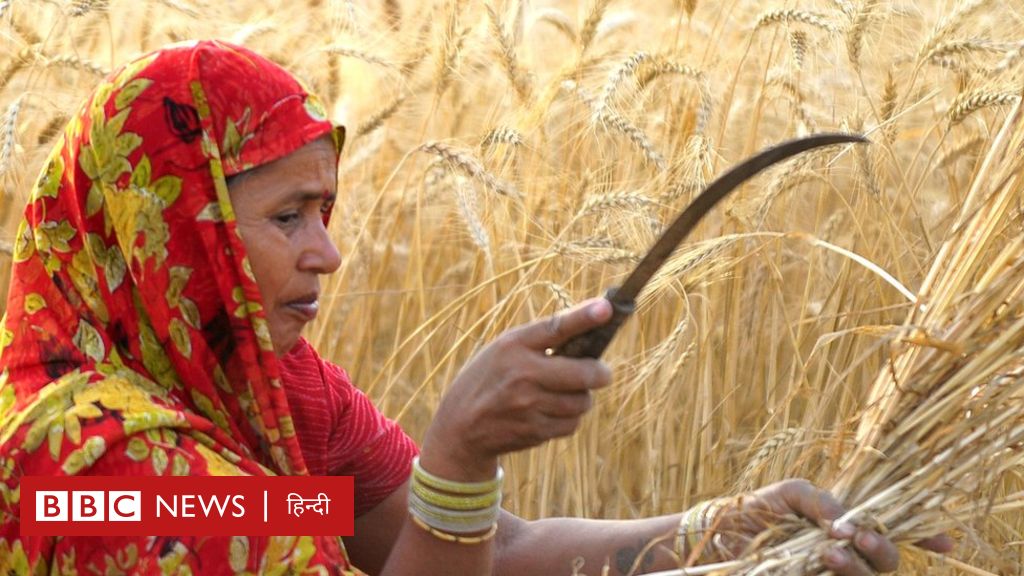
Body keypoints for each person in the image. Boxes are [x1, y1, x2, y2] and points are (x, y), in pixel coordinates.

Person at [0, 40, 951, 575]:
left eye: (326, 211)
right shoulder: (88, 467)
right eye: (287, 216)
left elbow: (498, 551)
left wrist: (730, 533)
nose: (326, 252)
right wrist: (458, 460)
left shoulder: (271, 384)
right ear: (173, 235)